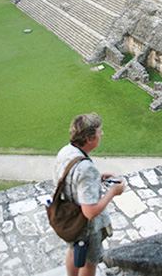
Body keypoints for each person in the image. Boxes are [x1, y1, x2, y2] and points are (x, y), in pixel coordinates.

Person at [54, 112, 125, 276]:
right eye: (100, 132)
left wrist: (97, 179)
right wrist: (113, 192)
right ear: (89, 139)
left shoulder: (66, 151)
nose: (101, 135)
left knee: (73, 252)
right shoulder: (86, 169)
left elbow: (72, 180)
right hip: (84, 226)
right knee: (89, 263)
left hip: (68, 215)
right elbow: (90, 212)